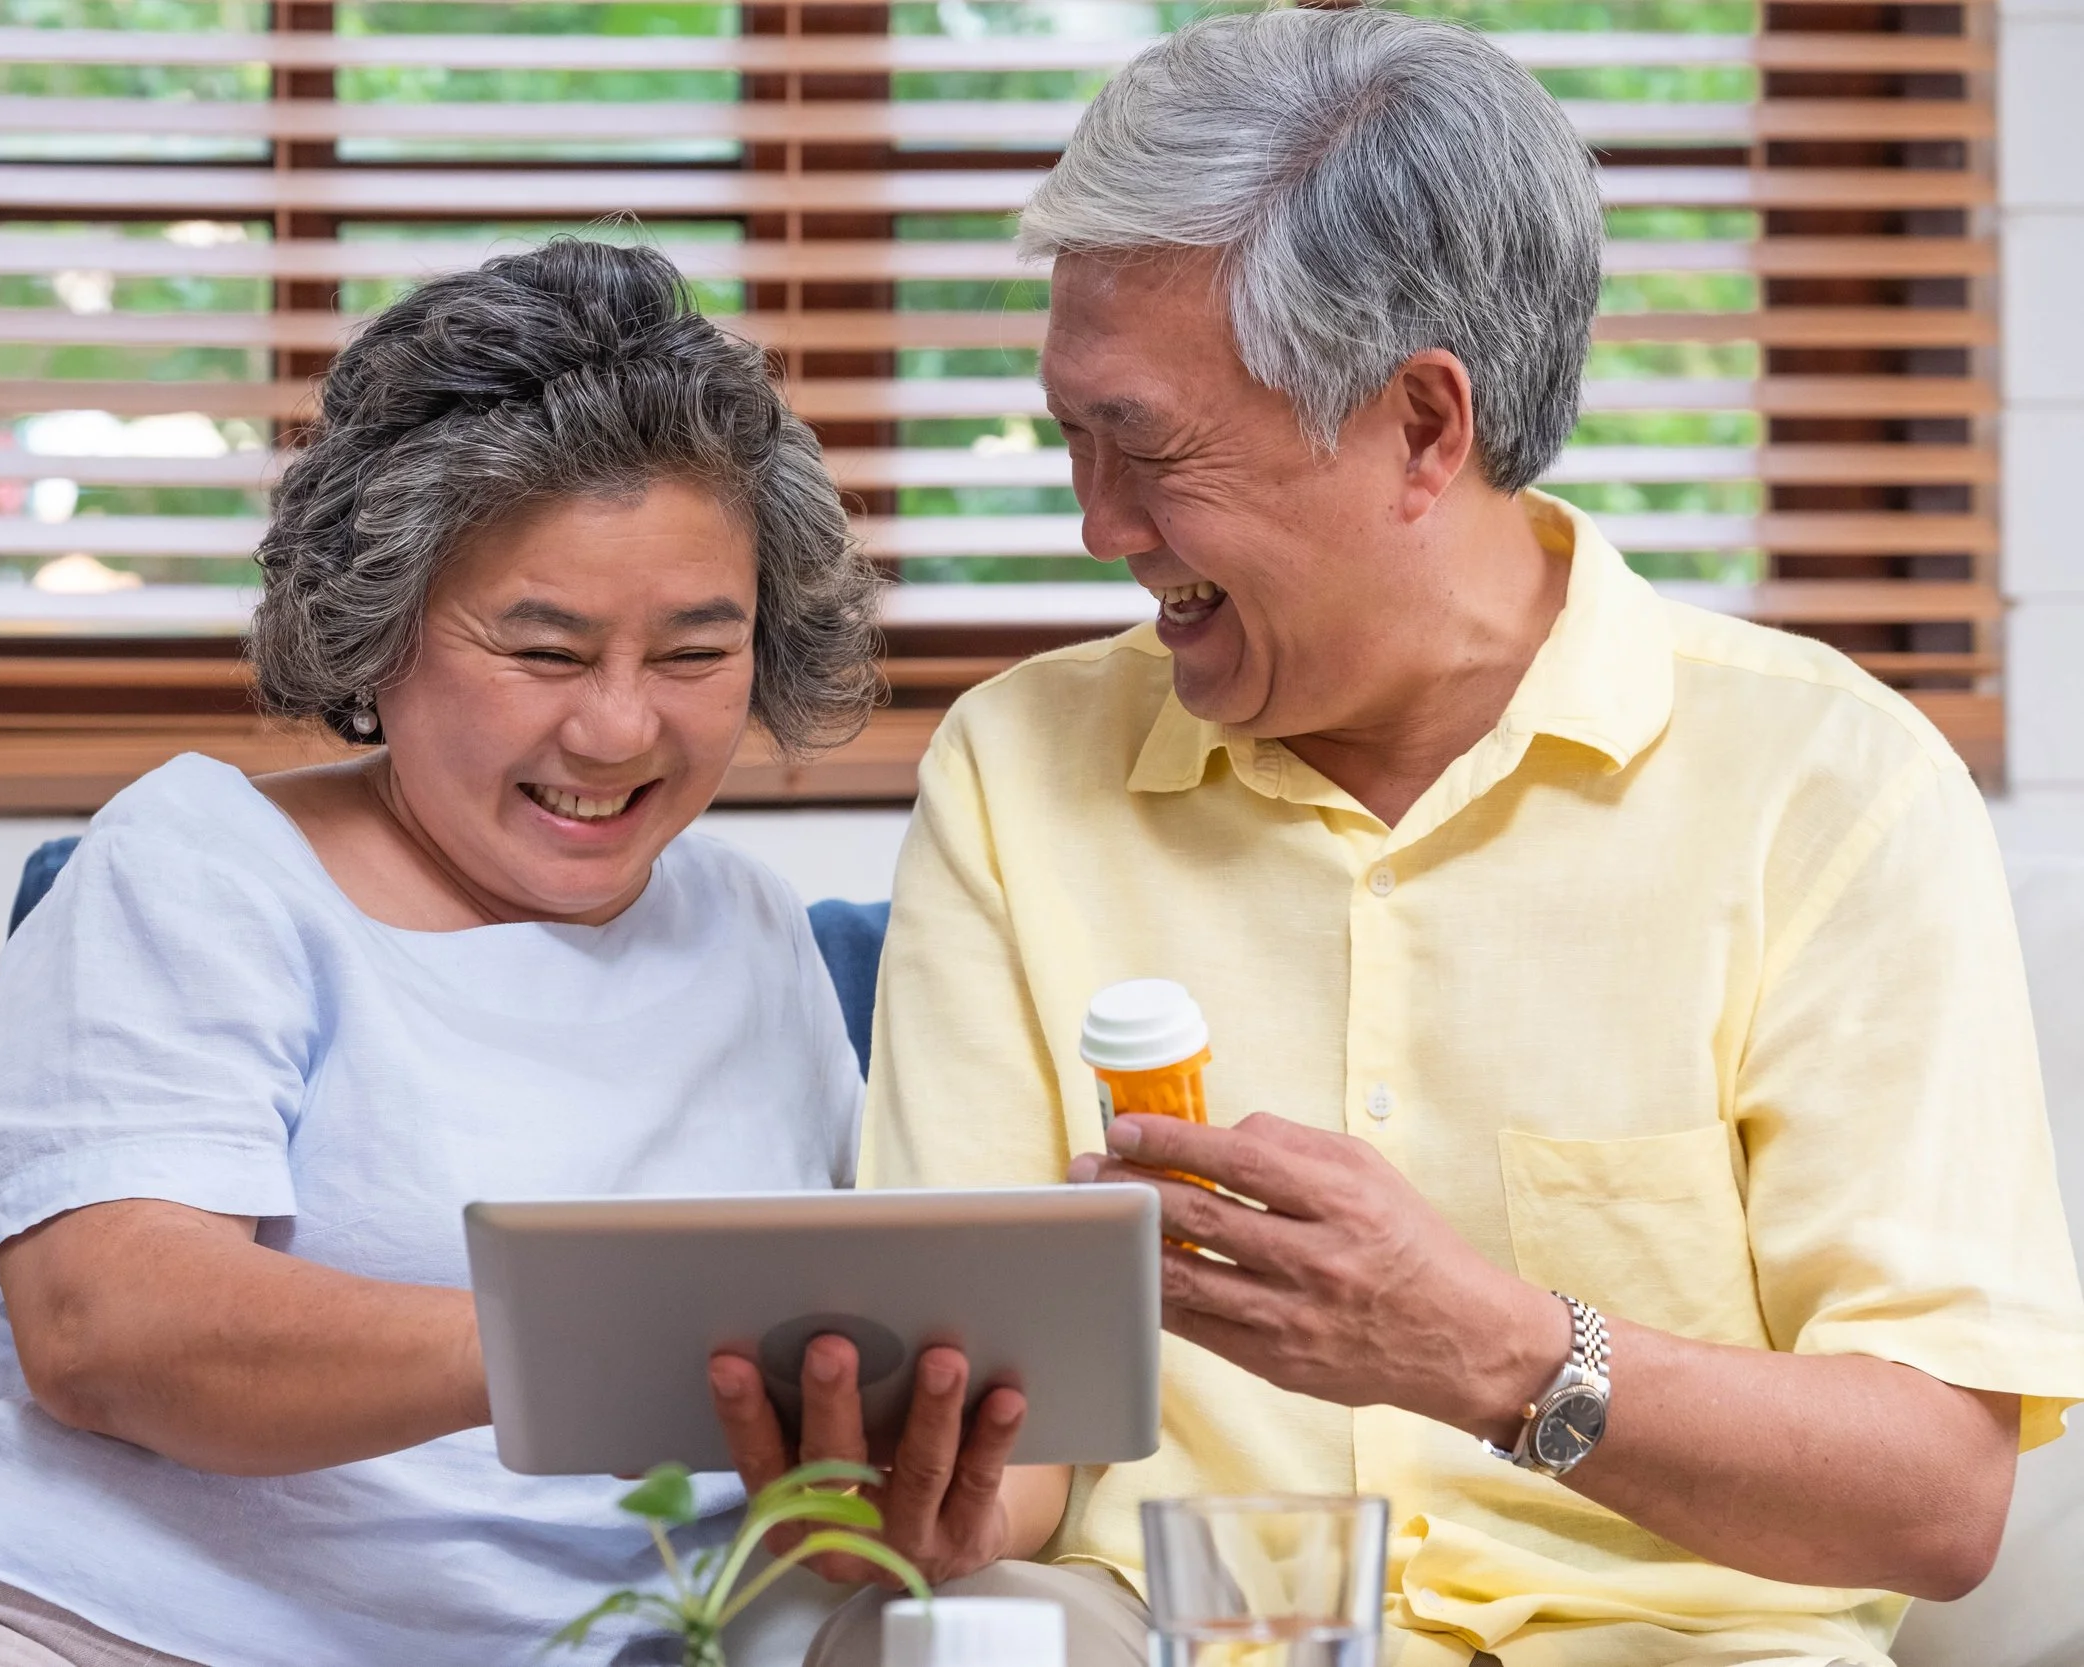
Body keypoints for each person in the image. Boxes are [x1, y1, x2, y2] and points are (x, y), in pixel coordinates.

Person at [775, 9, 2084, 1667]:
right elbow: (1019, 1426)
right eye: (1072, 436)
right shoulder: (1021, 767)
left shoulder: (1831, 786)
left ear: (1422, 426)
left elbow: (1935, 1498)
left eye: (1149, 447)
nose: (1099, 526)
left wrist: (1498, 1351)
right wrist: (952, 1490)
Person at [0, 239, 893, 1667]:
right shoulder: (203, 861)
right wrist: (616, 1336)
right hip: (48, 1616)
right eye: (543, 651)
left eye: (694, 653)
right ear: (381, 627)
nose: (617, 729)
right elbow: (110, 1327)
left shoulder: (751, 932)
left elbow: (849, 1361)